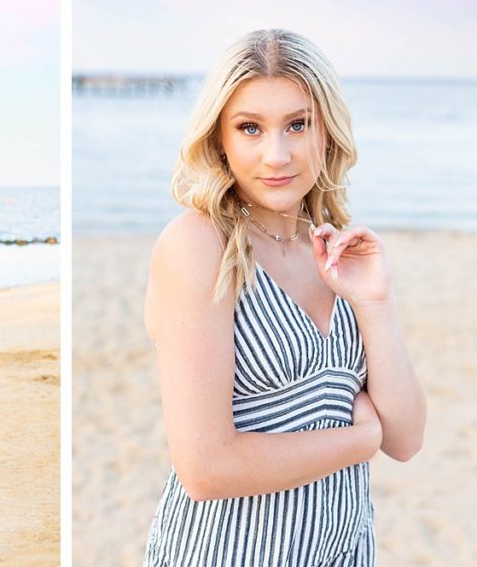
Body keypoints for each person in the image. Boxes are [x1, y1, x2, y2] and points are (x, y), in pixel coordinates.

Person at [143, 29, 425, 566]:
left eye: (298, 124)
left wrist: (375, 303)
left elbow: (407, 438)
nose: (277, 154)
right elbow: (205, 468)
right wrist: (359, 441)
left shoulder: (335, 249)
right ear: (220, 139)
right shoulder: (199, 246)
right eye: (250, 128)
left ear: (327, 130)